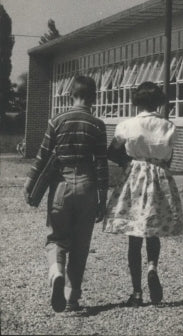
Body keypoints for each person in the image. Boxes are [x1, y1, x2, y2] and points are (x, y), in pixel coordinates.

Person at [23, 73, 108, 314]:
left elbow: (42, 155)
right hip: (88, 186)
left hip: (60, 185)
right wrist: (102, 198)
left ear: (71, 94)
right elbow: (101, 164)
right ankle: (71, 297)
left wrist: (29, 184)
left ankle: (56, 272)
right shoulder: (97, 125)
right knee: (81, 246)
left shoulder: (56, 120)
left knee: (56, 238)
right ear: (94, 97)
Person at [103, 81, 183, 306]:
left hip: (135, 176)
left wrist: (128, 162)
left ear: (137, 101)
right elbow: (168, 158)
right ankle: (152, 267)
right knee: (153, 228)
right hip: (159, 177)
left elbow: (112, 152)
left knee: (134, 234)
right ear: (158, 101)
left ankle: (137, 293)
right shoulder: (168, 126)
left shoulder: (127, 126)